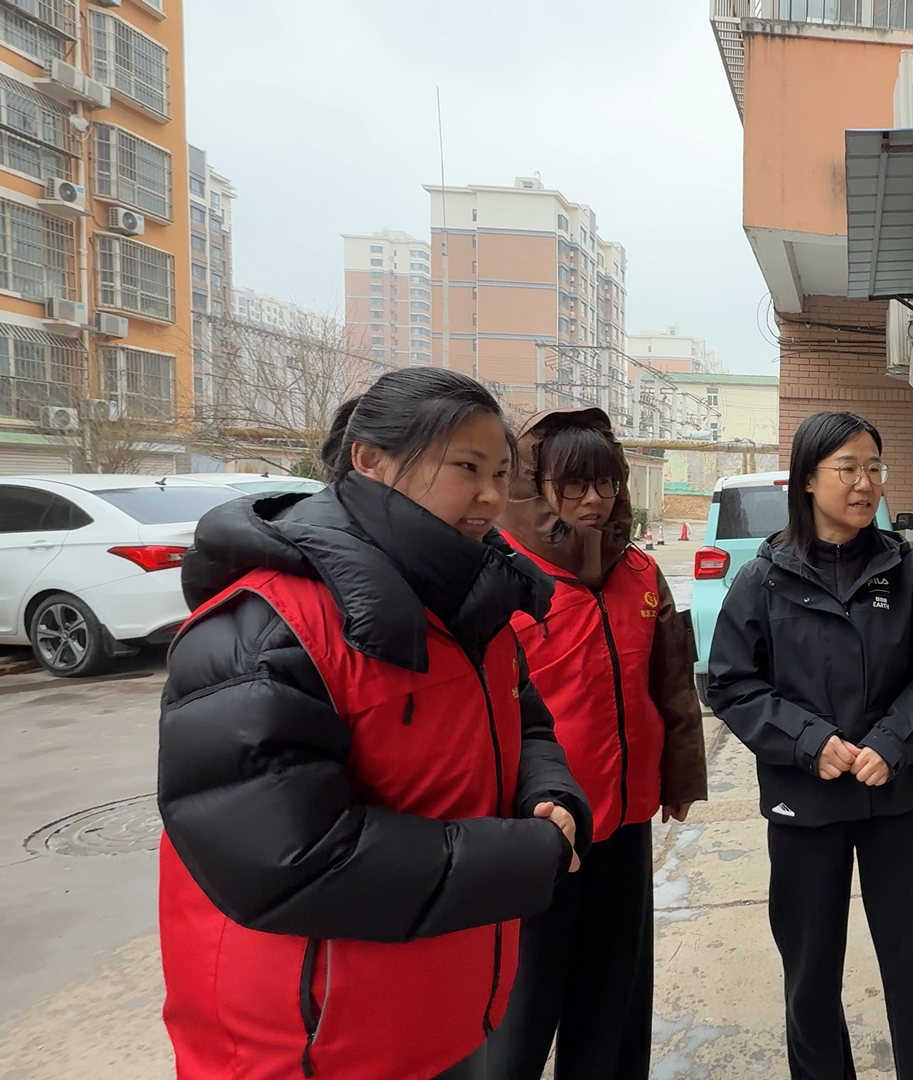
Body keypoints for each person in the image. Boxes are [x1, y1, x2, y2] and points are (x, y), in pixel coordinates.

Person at [156, 369, 592, 1080]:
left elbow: (524, 719)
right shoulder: (271, 629)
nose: (490, 495)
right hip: (312, 1044)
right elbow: (287, 858)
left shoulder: (468, 606)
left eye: (501, 474)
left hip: (446, 1012)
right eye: (467, 468)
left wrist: (549, 793)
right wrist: (521, 858)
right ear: (370, 460)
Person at [706, 411, 913, 1080]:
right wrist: (807, 740)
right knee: (810, 974)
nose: (865, 483)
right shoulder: (763, 580)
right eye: (847, 468)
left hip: (897, 801)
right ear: (807, 478)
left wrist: (893, 741)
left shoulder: (907, 575)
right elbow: (733, 684)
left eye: (874, 467)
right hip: (805, 806)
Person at [486, 408, 707, 1079]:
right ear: (537, 486)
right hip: (538, 826)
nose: (593, 500)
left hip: (625, 820)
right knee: (521, 1010)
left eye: (606, 484)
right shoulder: (502, 574)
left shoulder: (639, 572)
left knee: (614, 998)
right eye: (574, 485)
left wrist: (679, 779)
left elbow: (671, 682)